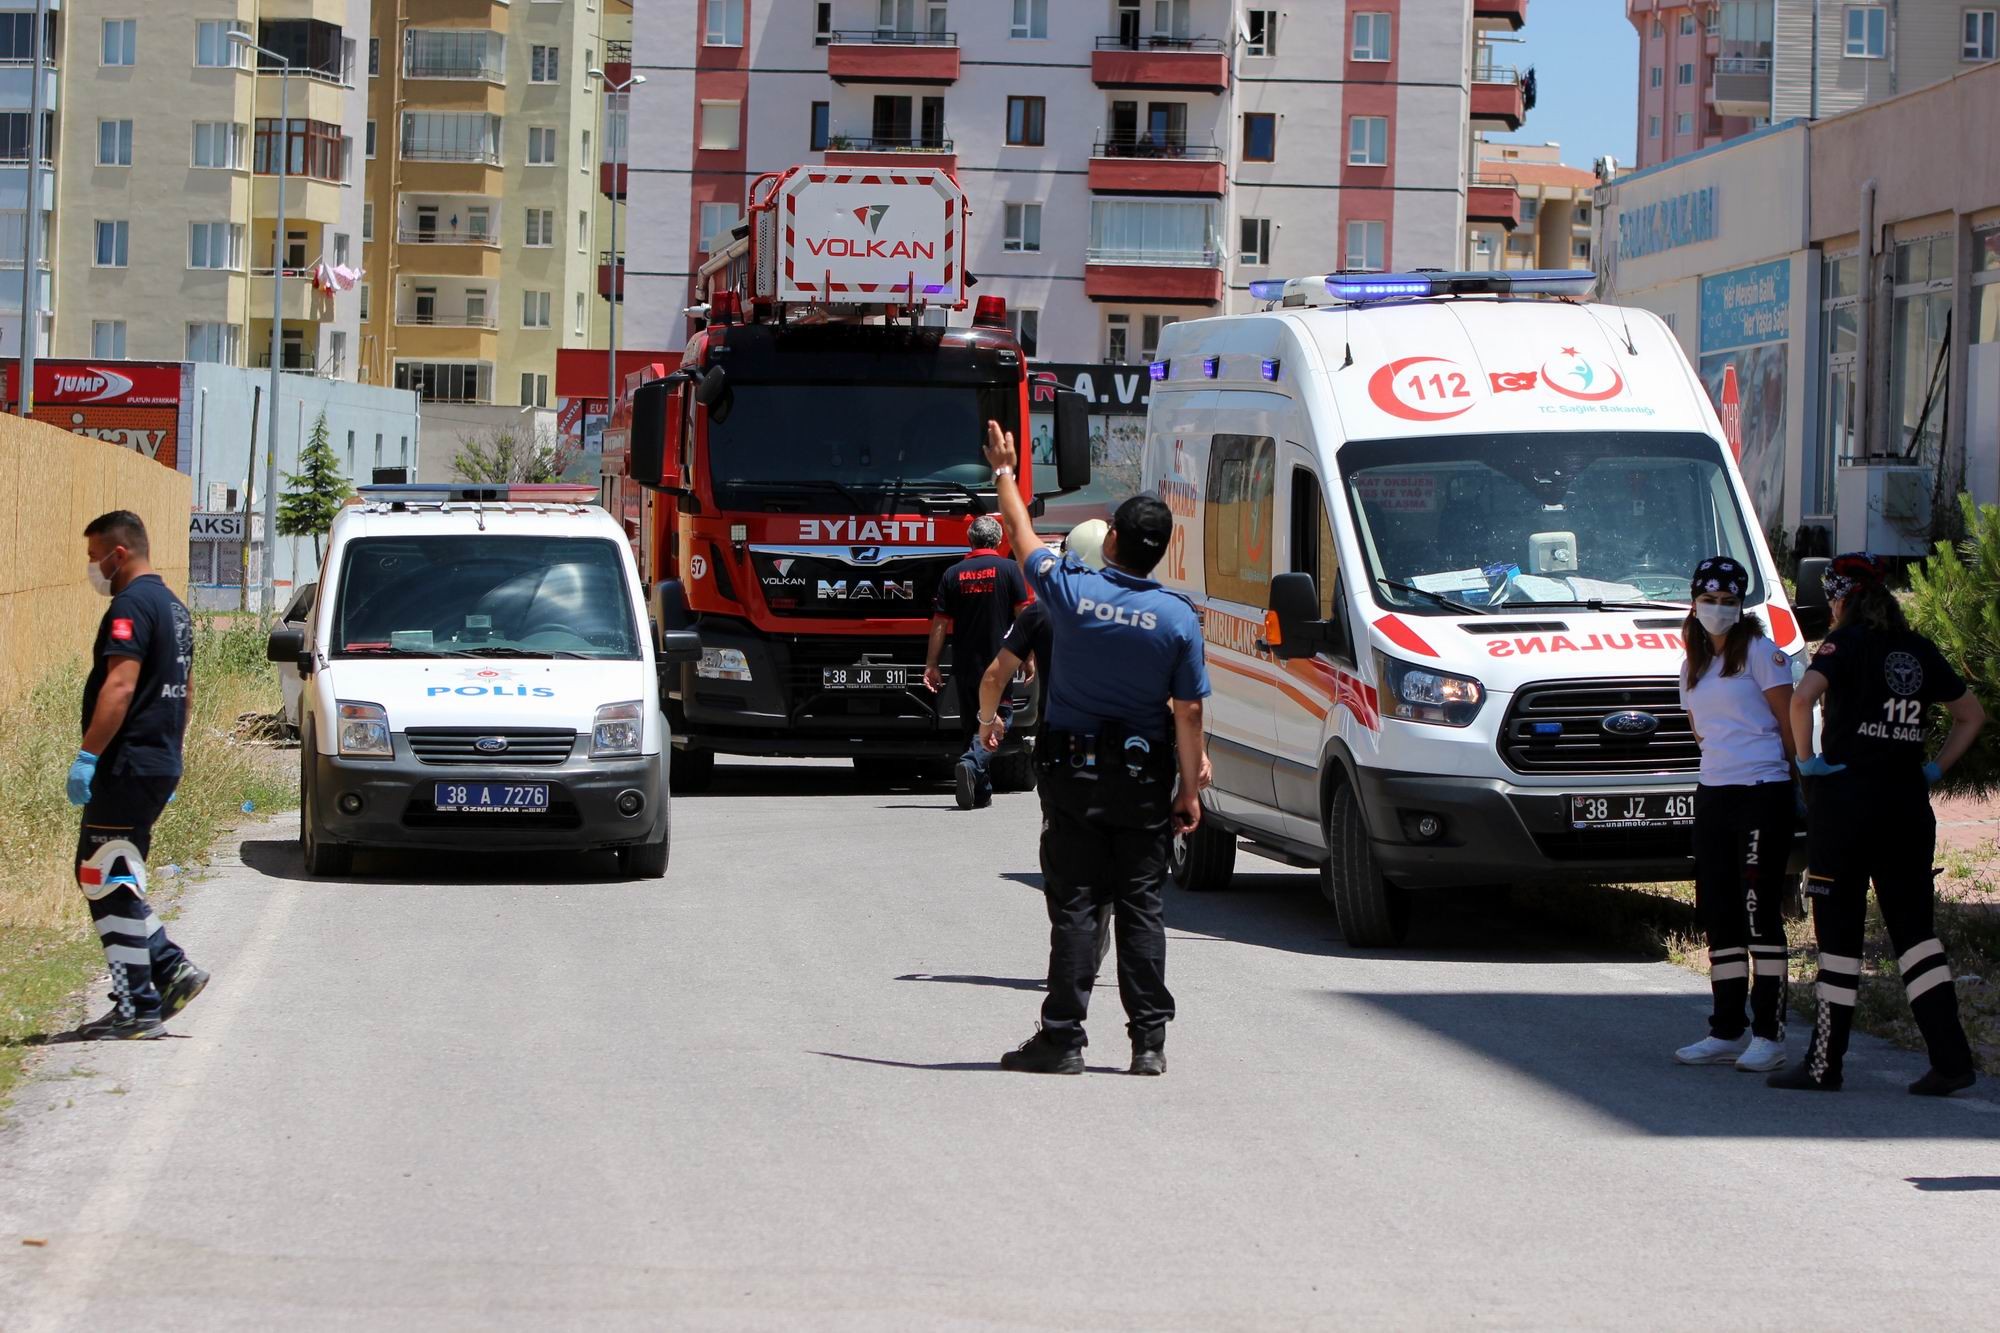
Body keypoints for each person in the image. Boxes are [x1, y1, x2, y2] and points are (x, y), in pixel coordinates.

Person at [978, 421, 1210, 1076]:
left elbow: (1021, 536)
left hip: (1072, 773)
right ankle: (1149, 1042)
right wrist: (1189, 789)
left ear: (1110, 539)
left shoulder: (1073, 591)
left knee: (1076, 901)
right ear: (1160, 551)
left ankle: (1062, 1037)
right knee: (1141, 905)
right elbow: (1189, 711)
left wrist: (1003, 470)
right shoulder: (1176, 617)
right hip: (1143, 780)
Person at [1771, 552, 1987, 1095]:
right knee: (1916, 937)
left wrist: (1804, 760)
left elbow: (1802, 698)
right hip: (1906, 809)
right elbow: (1972, 715)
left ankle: (1824, 1065)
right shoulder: (1916, 649)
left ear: (1839, 598)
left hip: (1845, 809)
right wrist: (1934, 766)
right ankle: (1952, 1061)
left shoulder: (1842, 644)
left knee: (1838, 939)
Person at [68, 511, 209, 1040]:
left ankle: (148, 995)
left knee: (103, 876)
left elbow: (120, 686)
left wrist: (88, 757)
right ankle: (157, 982)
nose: (93, 569)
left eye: (94, 557)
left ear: (118, 553)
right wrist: (170, 755)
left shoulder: (131, 605)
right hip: (156, 759)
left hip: (126, 762)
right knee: (113, 873)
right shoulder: (175, 608)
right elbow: (187, 691)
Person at [1672, 556, 1796, 1074]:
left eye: (1727, 602)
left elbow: (1790, 722)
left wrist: (1791, 778)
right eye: (1709, 601)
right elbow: (1703, 733)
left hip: (1762, 790)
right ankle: (1726, 1029)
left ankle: (1770, 1033)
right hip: (1715, 793)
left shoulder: (1763, 655)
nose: (1717, 610)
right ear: (1694, 604)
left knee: (1757, 910)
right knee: (1719, 911)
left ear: (1741, 606)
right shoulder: (1692, 666)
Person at [924, 514, 1031, 810]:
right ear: (997, 541)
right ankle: (971, 764)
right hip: (1002, 662)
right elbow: (1024, 616)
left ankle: (980, 791)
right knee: (1000, 718)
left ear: (970, 540)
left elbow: (939, 624)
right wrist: (1029, 656)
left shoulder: (953, 574)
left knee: (974, 724)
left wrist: (932, 663)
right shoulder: (1010, 570)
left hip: (966, 664)